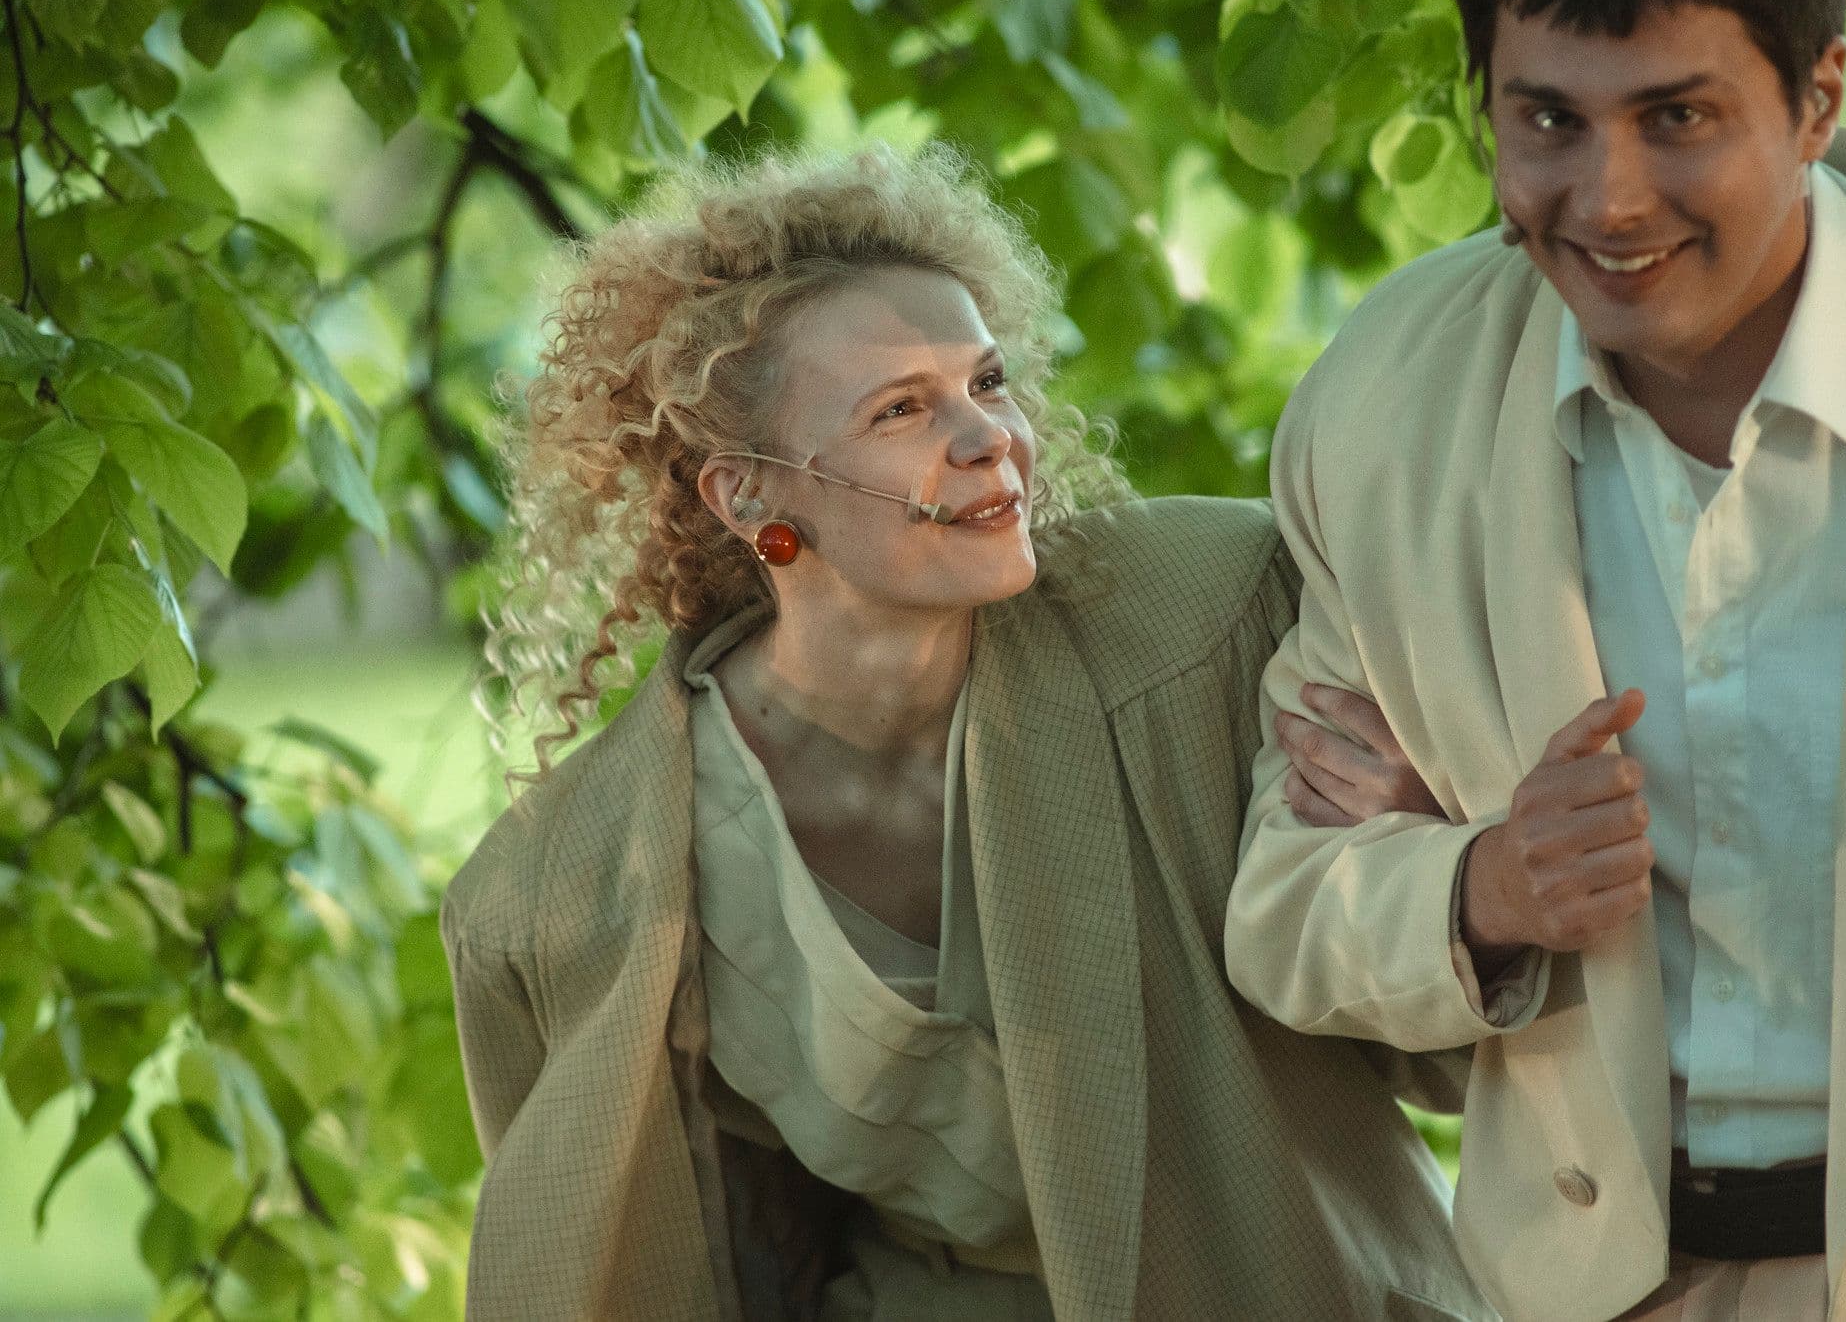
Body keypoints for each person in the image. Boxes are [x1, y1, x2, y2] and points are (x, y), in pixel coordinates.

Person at [441, 145, 1490, 1320]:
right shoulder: (562, 897)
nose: (989, 436)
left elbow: (1458, 1055)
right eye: (899, 408)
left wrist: (1417, 861)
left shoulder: (1215, 618)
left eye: (987, 382)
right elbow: (627, 1256)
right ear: (748, 494)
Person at [1227, 0, 1846, 1318]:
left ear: (1818, 99)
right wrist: (1482, 888)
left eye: (1676, 118)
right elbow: (1285, 909)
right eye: (1549, 120)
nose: (1608, 200)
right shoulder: (1386, 404)